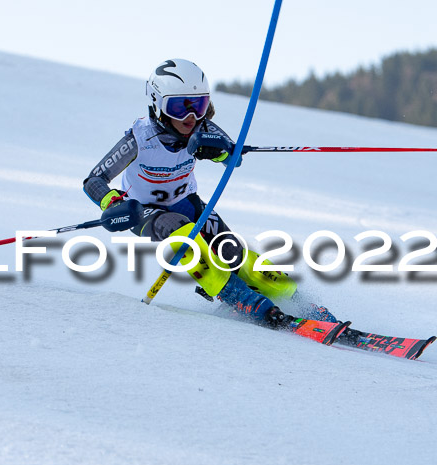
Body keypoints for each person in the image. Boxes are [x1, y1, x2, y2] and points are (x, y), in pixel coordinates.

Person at [82, 58, 335, 324]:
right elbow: (94, 180)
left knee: (233, 252)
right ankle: (247, 302)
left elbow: (232, 157)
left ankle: (302, 305)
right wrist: (111, 203)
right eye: (179, 107)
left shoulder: (202, 128)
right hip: (143, 212)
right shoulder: (139, 138)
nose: (191, 117)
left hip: (187, 203)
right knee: (183, 233)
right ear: (158, 104)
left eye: (199, 105)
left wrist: (217, 151)